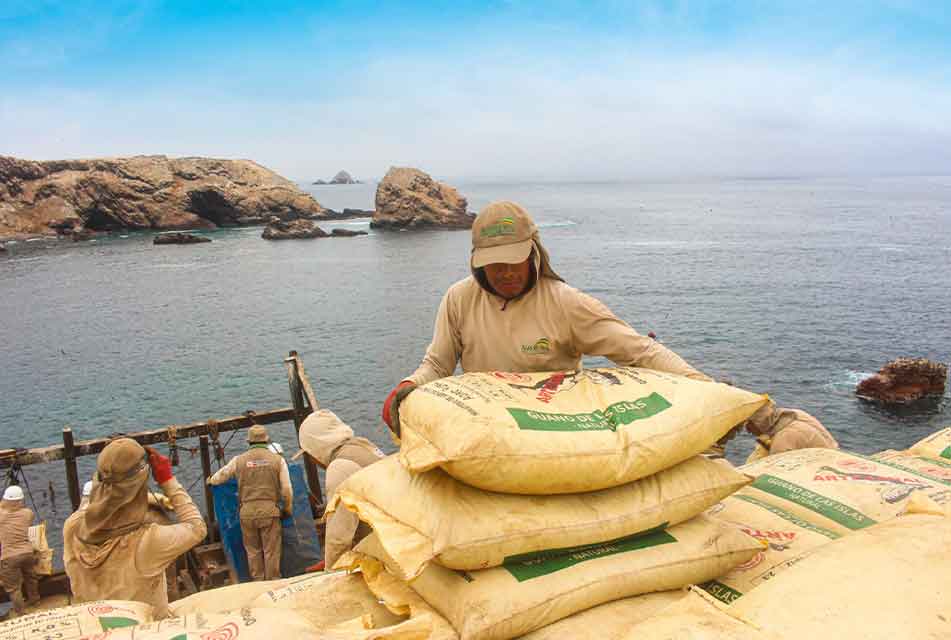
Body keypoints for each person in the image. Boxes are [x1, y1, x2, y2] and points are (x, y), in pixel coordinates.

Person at [382, 200, 712, 435]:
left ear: (534, 254)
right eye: (494, 263)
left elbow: (638, 350)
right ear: (477, 261)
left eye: (514, 260)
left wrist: (704, 388)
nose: (505, 273)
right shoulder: (459, 299)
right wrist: (410, 386)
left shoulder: (565, 303)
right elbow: (438, 366)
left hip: (554, 428)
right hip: (486, 427)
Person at [62, 439, 206, 618]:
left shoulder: (72, 526)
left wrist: (114, 461)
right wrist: (167, 480)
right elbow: (196, 527)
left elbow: (102, 502)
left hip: (95, 625)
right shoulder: (146, 541)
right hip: (146, 631)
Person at [298, 409, 384, 569]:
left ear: (316, 447)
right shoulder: (365, 446)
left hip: (384, 555)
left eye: (309, 454)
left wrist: (330, 573)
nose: (312, 460)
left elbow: (339, 538)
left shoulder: (341, 467)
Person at [208, 425, 292, 581]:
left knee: (253, 552)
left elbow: (220, 476)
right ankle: (273, 582)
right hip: (270, 512)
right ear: (267, 440)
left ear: (249, 441)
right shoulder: (278, 460)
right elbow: (287, 489)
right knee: (271, 551)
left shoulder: (238, 460)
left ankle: (257, 583)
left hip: (246, 513)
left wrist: (210, 481)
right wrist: (287, 508)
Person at [742, 401, 839, 463]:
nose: (747, 430)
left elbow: (776, 474)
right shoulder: (794, 414)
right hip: (835, 457)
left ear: (758, 423)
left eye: (748, 424)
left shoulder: (782, 441)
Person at [0, 486, 40, 617]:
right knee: (31, 577)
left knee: (14, 588)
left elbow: (3, 507)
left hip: (9, 556)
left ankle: (21, 612)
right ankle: (34, 600)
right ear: (21, 500)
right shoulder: (28, 513)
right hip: (27, 553)